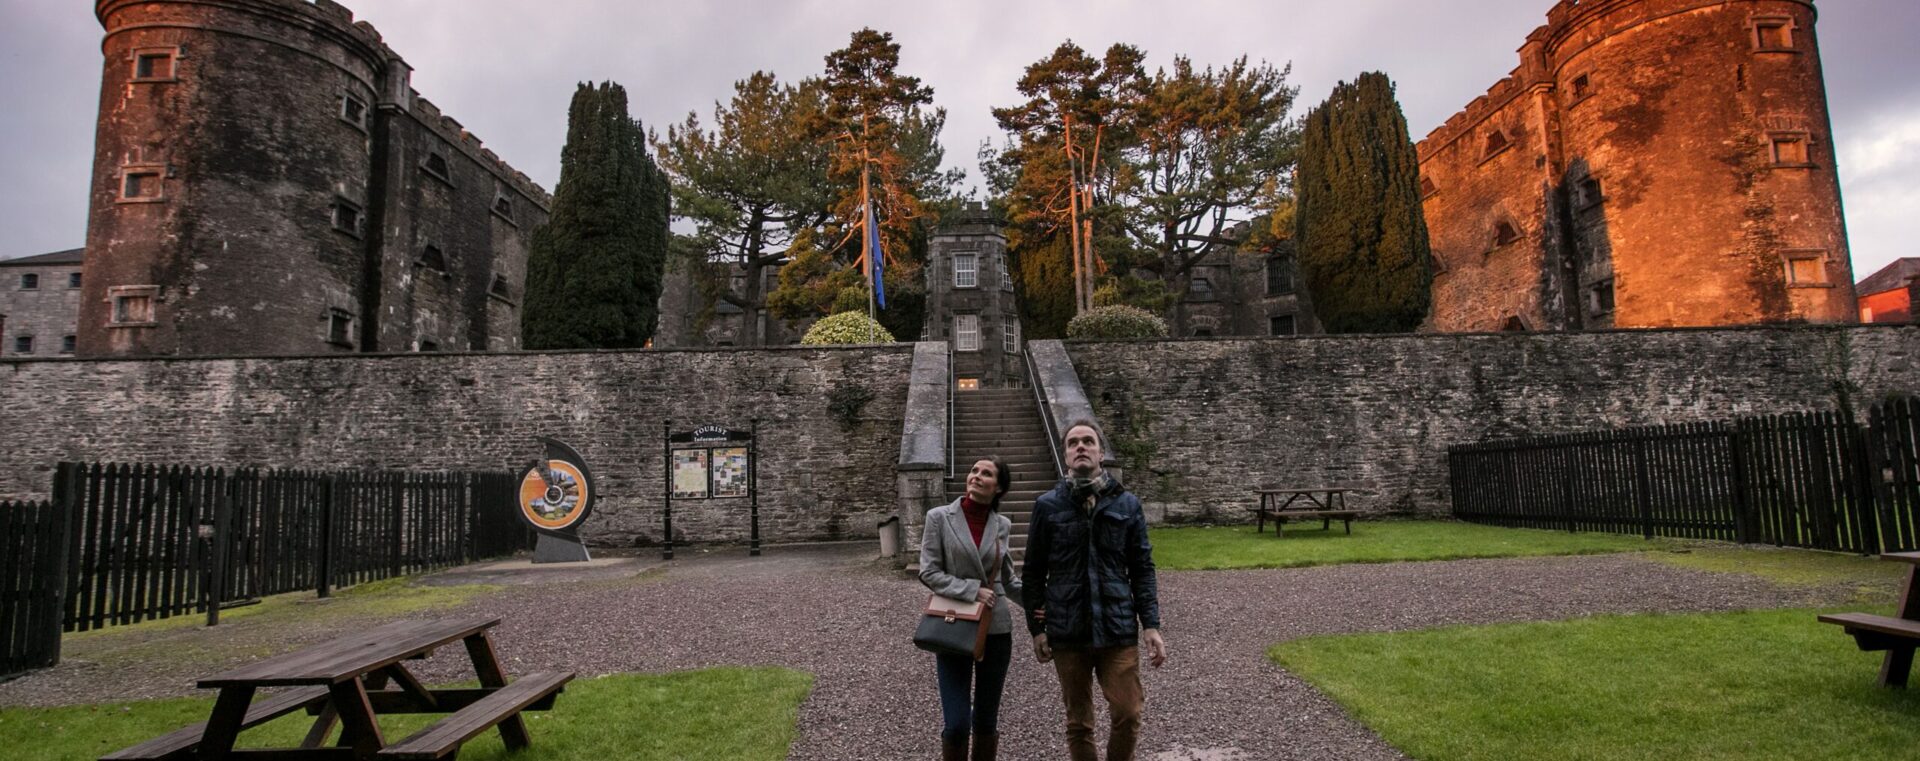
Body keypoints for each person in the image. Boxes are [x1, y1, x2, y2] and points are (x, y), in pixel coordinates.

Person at [1022, 420, 1166, 761]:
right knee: (1079, 722)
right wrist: (1037, 628)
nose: (1081, 447)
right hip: (1067, 629)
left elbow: (1142, 568)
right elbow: (1033, 572)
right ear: (1066, 455)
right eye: (1074, 443)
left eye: (1088, 441)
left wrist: (1151, 624)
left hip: (1115, 627)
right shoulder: (1048, 506)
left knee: (1128, 713)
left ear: (1101, 452)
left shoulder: (1127, 504)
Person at [919, 456, 1023, 761]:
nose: (976, 476)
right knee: (957, 723)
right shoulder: (939, 517)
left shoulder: (1001, 524)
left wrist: (1042, 604)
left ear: (999, 487)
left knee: (986, 722)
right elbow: (929, 572)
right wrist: (971, 591)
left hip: (996, 628)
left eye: (986, 473)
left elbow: (1007, 579)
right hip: (953, 625)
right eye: (974, 470)